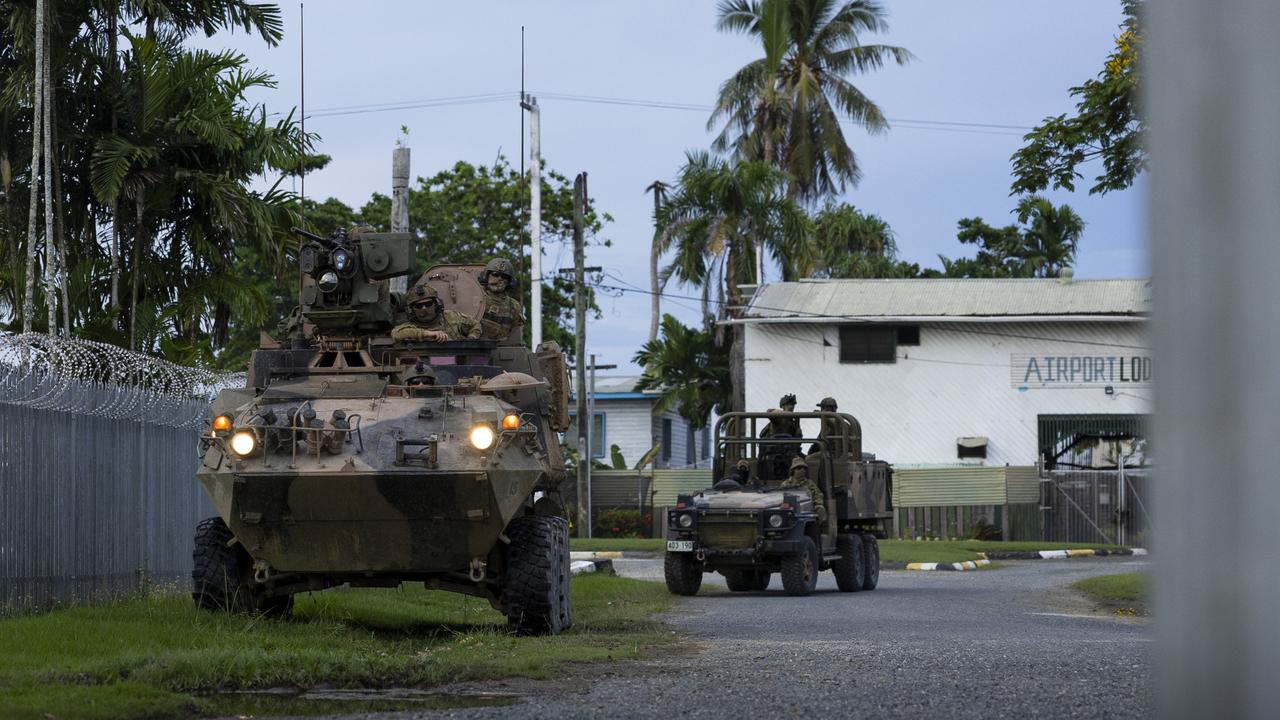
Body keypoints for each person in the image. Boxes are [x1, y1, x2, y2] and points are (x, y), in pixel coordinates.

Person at [392, 284, 480, 342]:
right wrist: (428, 334)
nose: (424, 308)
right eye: (419, 306)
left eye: (428, 304)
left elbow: (475, 324)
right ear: (411, 310)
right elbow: (396, 334)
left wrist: (472, 338)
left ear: (437, 304)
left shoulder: (451, 317)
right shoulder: (411, 325)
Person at [477, 258, 525, 342]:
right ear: (486, 276)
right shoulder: (476, 298)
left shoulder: (514, 306)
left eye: (504, 276)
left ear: (509, 282)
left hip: (503, 350)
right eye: (495, 274)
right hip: (475, 347)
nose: (500, 279)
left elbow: (516, 333)